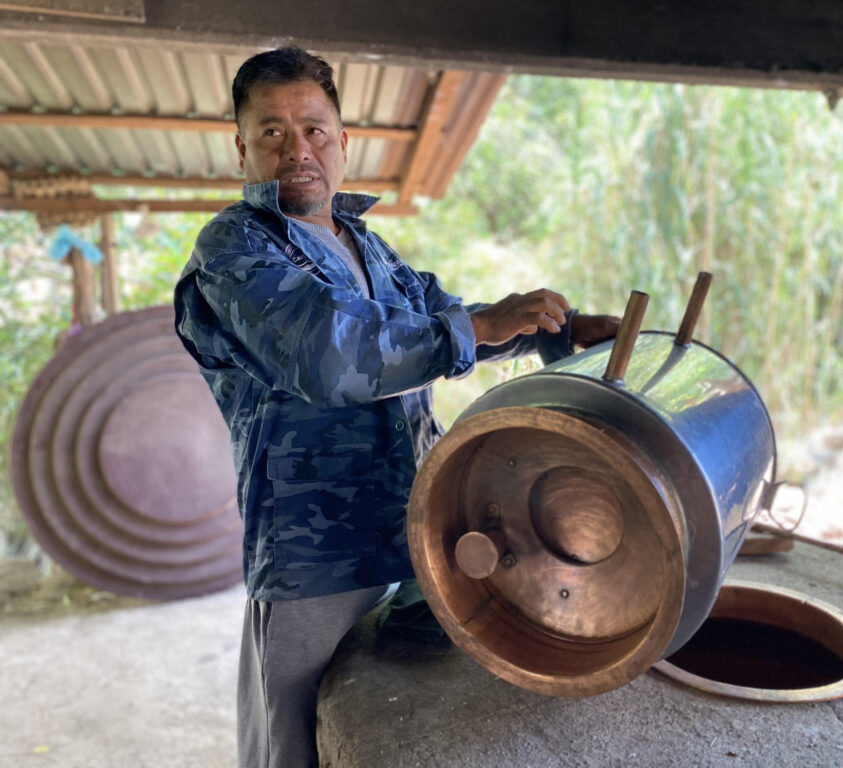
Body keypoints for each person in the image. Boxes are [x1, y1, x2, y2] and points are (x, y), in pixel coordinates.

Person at [173, 46, 619, 768]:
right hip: (313, 557)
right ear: (242, 150)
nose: (298, 150)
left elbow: (439, 323)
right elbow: (330, 354)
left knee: (395, 724)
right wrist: (479, 327)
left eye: (314, 130)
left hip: (413, 531)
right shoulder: (235, 247)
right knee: (293, 744)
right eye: (273, 133)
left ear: (344, 143)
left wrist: (553, 331)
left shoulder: (370, 248)